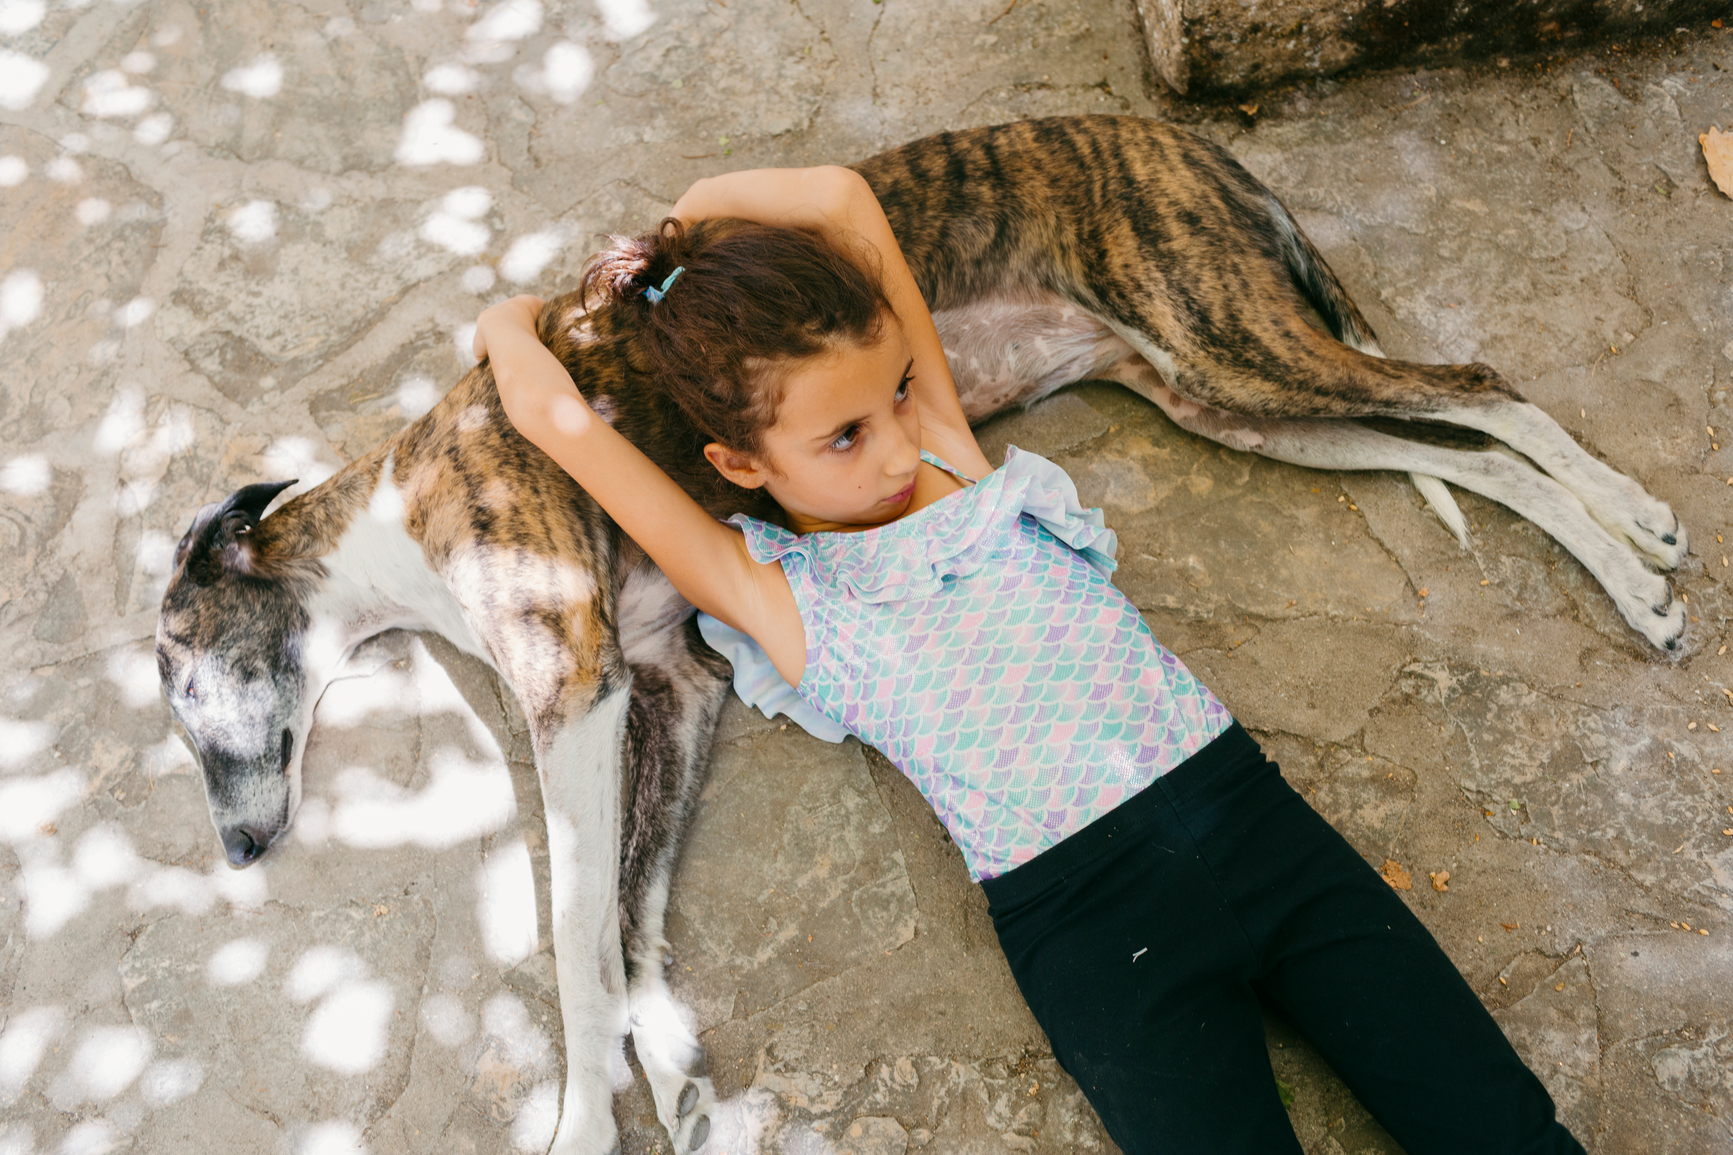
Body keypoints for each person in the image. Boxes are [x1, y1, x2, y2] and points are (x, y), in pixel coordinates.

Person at [474, 166, 1584, 1155]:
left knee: (1498, 1125)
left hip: (1255, 830)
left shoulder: (952, 461)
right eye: (843, 439)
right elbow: (553, 419)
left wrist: (698, 211)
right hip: (1095, 929)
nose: (897, 444)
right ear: (738, 464)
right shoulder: (769, 592)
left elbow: (844, 204)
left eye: (900, 390)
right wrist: (508, 324)